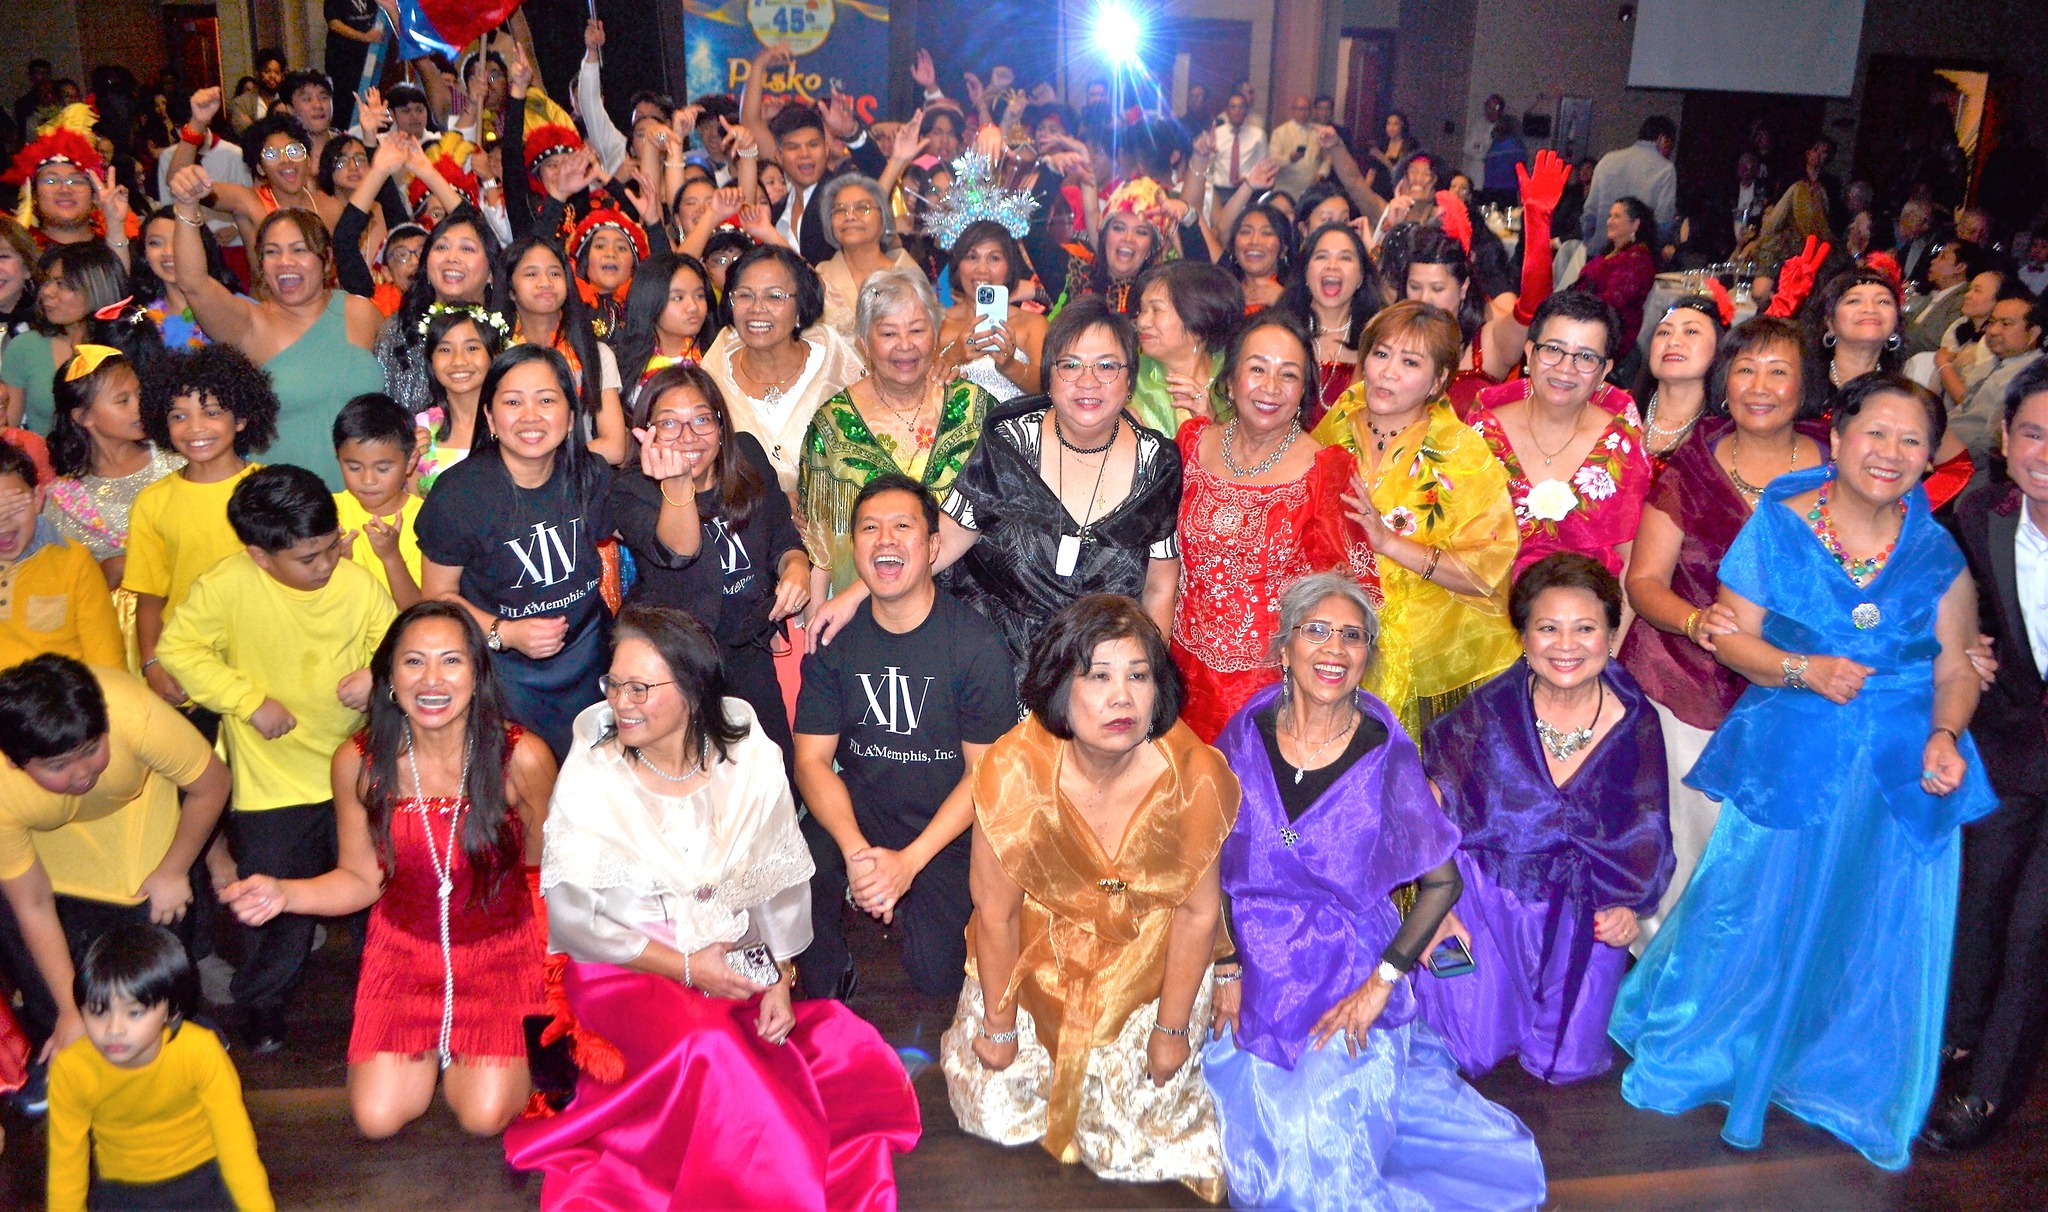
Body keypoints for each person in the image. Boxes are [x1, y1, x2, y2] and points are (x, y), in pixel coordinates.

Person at [1611, 375, 1998, 1170]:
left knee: (1872, 925)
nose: (1889, 452)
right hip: (1793, 747)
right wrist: (1801, 669)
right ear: (1840, 437)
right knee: (1748, 906)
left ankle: (1833, 1067)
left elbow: (1958, 663)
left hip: (1898, 770)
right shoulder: (1779, 525)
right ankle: (1722, 1043)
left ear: (1930, 458)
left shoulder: (1935, 548)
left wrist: (1946, 733)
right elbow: (1732, 635)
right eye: (1875, 432)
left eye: (1911, 440)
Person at [503, 604, 921, 1207]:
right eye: (614, 684)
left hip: (725, 941)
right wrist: (688, 967)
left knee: (760, 1037)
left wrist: (778, 975)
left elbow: (772, 880)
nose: (621, 702)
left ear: (694, 690)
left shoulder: (748, 759)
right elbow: (574, 919)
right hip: (622, 960)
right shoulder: (594, 770)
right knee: (709, 1047)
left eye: (641, 688)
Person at [1202, 571, 1547, 1211]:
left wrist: (1379, 984)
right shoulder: (1245, 731)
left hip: (1345, 964)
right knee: (1254, 1129)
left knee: (1321, 1141)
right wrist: (1225, 962)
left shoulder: (1385, 750)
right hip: (1251, 965)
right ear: (1285, 647)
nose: (1334, 649)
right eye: (1317, 630)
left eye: (1353, 636)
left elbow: (1440, 882)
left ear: (1368, 656)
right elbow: (1205, 855)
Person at [220, 602, 558, 1139]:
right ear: (390, 680)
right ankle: (441, 1046)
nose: (432, 680)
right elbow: (361, 880)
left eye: (451, 661)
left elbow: (546, 875)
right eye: (413, 662)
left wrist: (555, 983)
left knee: (484, 1118)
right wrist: (284, 893)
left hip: (500, 954)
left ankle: (479, 1050)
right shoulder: (358, 762)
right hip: (403, 956)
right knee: (377, 1120)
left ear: (478, 675)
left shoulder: (522, 758)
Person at [941, 594, 1234, 1198]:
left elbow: (1199, 912)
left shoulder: (1192, 777)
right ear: (1059, 687)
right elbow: (995, 912)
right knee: (994, 1113)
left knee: (1138, 1140)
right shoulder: (1012, 769)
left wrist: (1171, 1030)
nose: (1122, 698)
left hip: (1150, 959)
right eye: (1099, 676)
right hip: (1039, 953)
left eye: (1139, 676)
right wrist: (999, 1025)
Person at [812, 296, 1183, 683]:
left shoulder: (1157, 466)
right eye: (1070, 365)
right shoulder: (1010, 443)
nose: (1087, 381)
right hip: (1000, 665)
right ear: (1049, 376)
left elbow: (1159, 586)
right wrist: (853, 596)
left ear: (1130, 380)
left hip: (1103, 673)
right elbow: (945, 540)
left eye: (1106, 366)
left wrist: (1146, 679)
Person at [156, 465, 395, 1053]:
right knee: (275, 903)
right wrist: (247, 701)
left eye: (330, 547)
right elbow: (177, 649)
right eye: (308, 557)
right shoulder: (227, 585)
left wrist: (377, 675)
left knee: (376, 894)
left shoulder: (357, 584)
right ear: (260, 556)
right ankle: (262, 1003)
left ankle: (387, 993)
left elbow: (395, 646)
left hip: (354, 774)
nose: (326, 564)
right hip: (273, 785)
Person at [1414, 554, 1672, 1084]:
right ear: (1524, 638)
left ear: (1610, 635)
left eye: (1585, 628)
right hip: (1487, 898)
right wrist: (1434, 907)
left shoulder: (1635, 719)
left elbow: (1647, 825)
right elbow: (1424, 805)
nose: (1566, 645)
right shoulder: (1490, 709)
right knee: (1464, 1050)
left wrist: (1629, 904)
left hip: (1583, 907)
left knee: (1567, 1064)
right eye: (1548, 628)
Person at [1620, 317, 1829, 940]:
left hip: (1805, 690)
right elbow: (1644, 581)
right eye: (1744, 370)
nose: (1759, 387)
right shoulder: (1691, 467)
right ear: (1724, 381)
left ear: (1805, 384)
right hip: (1687, 681)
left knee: (1779, 861)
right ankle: (1671, 971)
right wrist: (1694, 621)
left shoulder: (1838, 459)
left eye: (1778, 371)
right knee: (1692, 850)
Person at [792, 475, 1017, 1000]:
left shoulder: (976, 644)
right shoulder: (835, 638)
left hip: (945, 828)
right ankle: (830, 977)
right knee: (800, 872)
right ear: (854, 546)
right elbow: (811, 762)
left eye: (902, 526)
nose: (885, 540)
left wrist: (909, 863)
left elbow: (984, 775)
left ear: (934, 546)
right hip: (863, 811)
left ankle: (902, 901)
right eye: (869, 529)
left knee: (938, 976)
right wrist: (855, 851)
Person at [1923, 360, 2048, 1150]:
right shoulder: (1980, 514)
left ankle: (1990, 1089)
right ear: (2004, 437)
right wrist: (1978, 645)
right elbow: (1967, 615)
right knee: (1977, 901)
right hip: (2011, 742)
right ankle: (1952, 1041)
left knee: (2036, 923)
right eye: (2033, 433)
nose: (2046, 453)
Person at [0, 655, 229, 1058]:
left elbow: (212, 783)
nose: (81, 773)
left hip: (136, 815)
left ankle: (182, 1033)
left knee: (155, 959)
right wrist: (69, 1010)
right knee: (48, 991)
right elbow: (32, 903)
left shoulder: (131, 711)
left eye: (91, 749)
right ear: (15, 762)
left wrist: (174, 871)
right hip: (44, 844)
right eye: (58, 765)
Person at [1316, 300, 1522, 739]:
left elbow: (1487, 569)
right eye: (1381, 353)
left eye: (1410, 362)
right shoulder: (1341, 420)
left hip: (1436, 660)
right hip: (1336, 641)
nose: (1387, 373)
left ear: (1439, 380)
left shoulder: (1460, 452)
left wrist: (1389, 543)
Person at [1171, 311, 1377, 741]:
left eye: (1288, 375)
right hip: (1179, 677)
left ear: (1303, 392)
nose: (1270, 387)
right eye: (1257, 369)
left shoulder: (1327, 471)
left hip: (1270, 695)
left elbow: (1350, 595)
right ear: (1230, 380)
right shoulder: (1191, 443)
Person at [417, 345, 614, 759]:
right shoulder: (458, 495)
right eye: (512, 402)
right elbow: (436, 598)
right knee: (527, 781)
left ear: (571, 416)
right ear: (489, 417)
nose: (530, 416)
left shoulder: (591, 474)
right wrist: (504, 633)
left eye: (546, 400)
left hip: (591, 655)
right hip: (505, 671)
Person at [611, 363, 808, 766]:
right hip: (675, 664)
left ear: (720, 425)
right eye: (669, 423)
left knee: (772, 769)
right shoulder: (631, 490)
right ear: (646, 432)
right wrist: (678, 482)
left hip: (747, 648)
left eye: (702, 419)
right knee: (690, 778)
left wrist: (796, 567)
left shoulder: (748, 456)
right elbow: (678, 552)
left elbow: (782, 537)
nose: (688, 436)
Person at [166, 169, 385, 491]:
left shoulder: (360, 312)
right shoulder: (248, 323)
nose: (284, 262)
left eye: (299, 249)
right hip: (284, 503)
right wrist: (186, 207)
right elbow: (193, 283)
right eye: (271, 252)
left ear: (326, 260)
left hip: (367, 498)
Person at [46, 924, 273, 1211]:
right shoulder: (72, 1068)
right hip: (122, 1189)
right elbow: (66, 1165)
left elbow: (236, 1146)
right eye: (98, 1011)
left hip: (205, 1177)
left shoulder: (199, 1051)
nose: (114, 1029)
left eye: (134, 1012)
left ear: (171, 1010)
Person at [800, 269, 994, 596]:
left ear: (936, 334)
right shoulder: (833, 423)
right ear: (864, 343)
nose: (905, 345)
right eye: (888, 333)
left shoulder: (975, 409)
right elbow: (820, 550)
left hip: (974, 603)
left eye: (917, 330)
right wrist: (819, 620)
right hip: (871, 605)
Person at [125, 344, 277, 712]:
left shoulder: (271, 490)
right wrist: (152, 662)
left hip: (264, 665)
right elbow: (150, 597)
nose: (195, 428)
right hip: (187, 668)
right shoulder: (152, 502)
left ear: (241, 419)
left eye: (211, 413)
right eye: (179, 416)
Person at [1471, 291, 1651, 583]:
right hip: (1483, 602)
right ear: (1530, 352)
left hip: (1587, 605)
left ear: (1605, 370)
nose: (1566, 368)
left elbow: (1631, 559)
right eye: (1553, 349)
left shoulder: (1620, 444)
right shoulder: (1484, 431)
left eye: (1586, 357)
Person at [697, 245, 861, 493]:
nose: (757, 308)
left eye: (774, 296)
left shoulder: (838, 367)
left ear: (801, 305)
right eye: (744, 295)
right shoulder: (713, 373)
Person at [40, 338, 179, 616]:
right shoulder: (64, 501)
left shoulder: (176, 466)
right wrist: (105, 572)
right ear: (83, 417)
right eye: (122, 400)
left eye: (139, 394)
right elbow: (59, 587)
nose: (139, 406)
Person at [0, 436, 119, 668]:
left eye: (14, 506)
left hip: (56, 689)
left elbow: (107, 659)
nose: (4, 523)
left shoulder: (74, 561)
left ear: (37, 499)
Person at [0, 243, 127, 435]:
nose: (46, 292)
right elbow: (7, 430)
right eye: (47, 282)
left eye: (61, 284)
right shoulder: (26, 347)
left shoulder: (129, 343)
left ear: (97, 288)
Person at [1278, 222, 1380, 429]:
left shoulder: (1378, 339)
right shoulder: (1278, 333)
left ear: (1361, 277)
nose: (1332, 265)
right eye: (1322, 256)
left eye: (1345, 258)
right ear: (1305, 272)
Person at [934, 221, 1047, 401]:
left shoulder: (1033, 324)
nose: (982, 270)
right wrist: (952, 357)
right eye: (972, 257)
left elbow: (1047, 387)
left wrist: (1010, 366)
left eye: (994, 258)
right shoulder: (937, 324)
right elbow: (916, 387)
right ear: (957, 264)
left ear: (1010, 265)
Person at [332, 393, 424, 608]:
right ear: (338, 457)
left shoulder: (425, 520)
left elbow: (416, 609)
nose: (368, 480)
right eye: (354, 467)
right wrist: (335, 563)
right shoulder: (329, 511)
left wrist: (391, 556)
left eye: (382, 469)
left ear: (410, 461)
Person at [1129, 259, 1241, 436]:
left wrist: (1212, 425)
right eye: (1142, 310)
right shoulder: (1127, 378)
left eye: (1156, 310)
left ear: (1198, 318)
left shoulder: (1236, 377)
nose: (1142, 322)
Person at [409, 304, 506, 496]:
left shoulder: (512, 422)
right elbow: (414, 503)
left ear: (495, 356)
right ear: (431, 361)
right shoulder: (421, 429)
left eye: (472, 348)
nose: (458, 361)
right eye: (445, 350)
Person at [813, 174, 921, 338]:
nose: (850, 216)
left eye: (863, 208)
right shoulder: (821, 278)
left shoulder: (908, 273)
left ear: (883, 217)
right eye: (840, 210)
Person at [609, 250, 715, 415]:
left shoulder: (717, 357)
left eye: (700, 295)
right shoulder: (620, 364)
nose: (693, 307)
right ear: (650, 301)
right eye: (678, 298)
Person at [1943, 289, 2043, 465]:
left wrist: (1948, 458)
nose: (1993, 331)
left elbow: (1992, 443)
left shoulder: (2033, 379)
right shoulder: (1993, 363)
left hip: (1969, 464)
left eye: (2006, 324)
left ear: (2033, 333)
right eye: (1992, 322)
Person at [1634, 292, 1731, 465]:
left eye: (1691, 332)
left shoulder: (1723, 437)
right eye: (1664, 332)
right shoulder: (1617, 410)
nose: (1673, 341)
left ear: (1719, 347)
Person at [1584, 117, 1677, 255]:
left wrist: (1590, 243)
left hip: (1599, 251)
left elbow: (1589, 212)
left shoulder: (1607, 160)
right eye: (1670, 144)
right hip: (1636, 255)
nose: (1669, 151)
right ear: (1662, 139)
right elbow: (1663, 222)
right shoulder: (1665, 169)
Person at [1578, 196, 1659, 353]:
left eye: (1617, 216)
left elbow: (1614, 302)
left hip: (1610, 330)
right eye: (1610, 216)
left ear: (1635, 224)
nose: (1609, 221)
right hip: (1587, 316)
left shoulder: (1637, 259)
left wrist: (1579, 309)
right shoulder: (1610, 253)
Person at [1220, 202, 1295, 313]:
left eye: (1267, 233)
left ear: (1283, 249)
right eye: (1246, 232)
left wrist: (1285, 302)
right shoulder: (1221, 292)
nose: (1254, 241)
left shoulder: (1298, 294)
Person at [1208, 93, 1266, 192]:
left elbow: (1262, 166)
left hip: (1247, 188)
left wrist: (1248, 178)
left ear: (1246, 111)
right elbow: (1208, 164)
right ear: (1227, 111)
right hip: (1219, 190)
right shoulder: (1216, 134)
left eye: (1241, 107)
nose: (1237, 111)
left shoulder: (1258, 135)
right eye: (1233, 107)